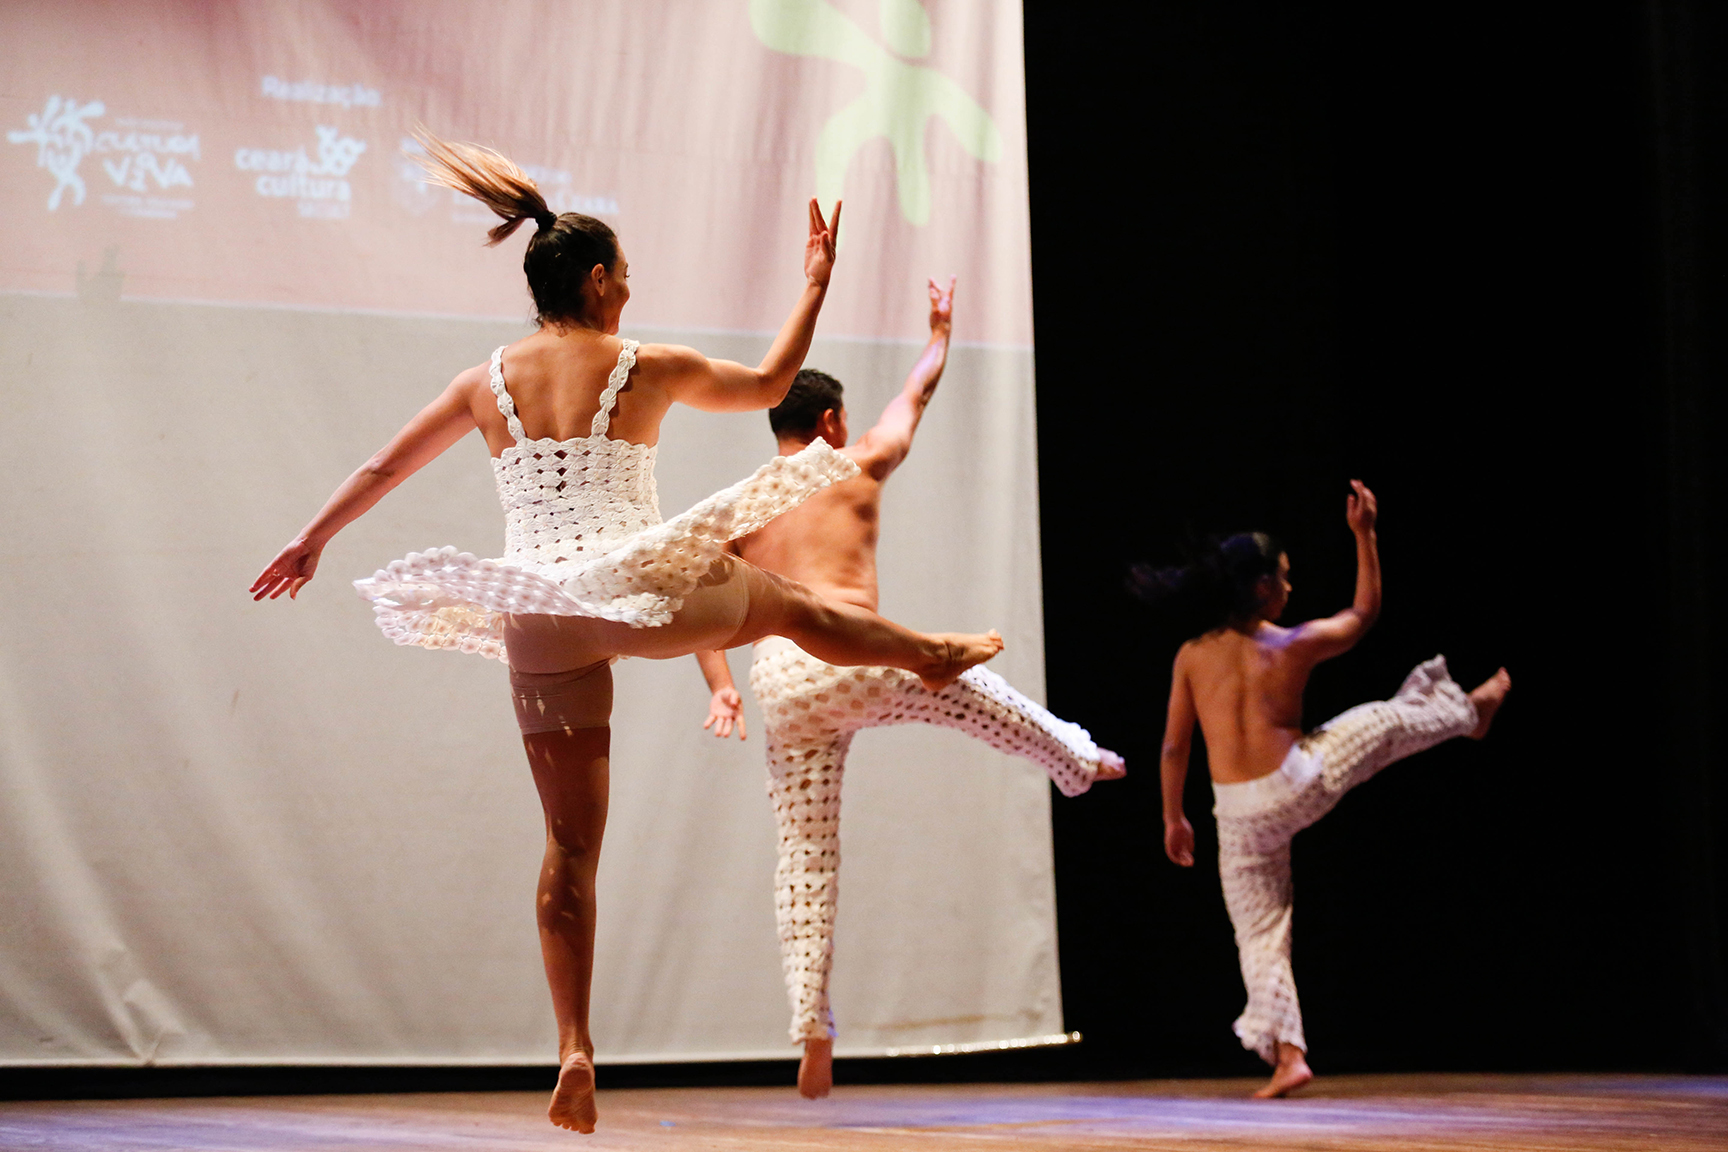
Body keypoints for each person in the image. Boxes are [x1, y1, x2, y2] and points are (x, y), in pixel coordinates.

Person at [250, 132, 1003, 1134]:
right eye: (628, 276)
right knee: (795, 607)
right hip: (644, 591)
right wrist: (816, 283)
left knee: (569, 847)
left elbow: (386, 467)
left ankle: (574, 1045)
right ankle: (929, 653)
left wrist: (310, 538)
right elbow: (773, 381)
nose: (632, 291)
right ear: (599, 281)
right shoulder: (643, 363)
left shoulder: (483, 382)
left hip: (540, 614)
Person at [692, 277, 1126, 1099]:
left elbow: (705, 616)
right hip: (851, 650)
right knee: (968, 690)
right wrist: (939, 333)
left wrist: (721, 689)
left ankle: (810, 1027)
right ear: (829, 422)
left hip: (780, 679)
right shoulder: (856, 461)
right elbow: (914, 396)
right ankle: (1078, 759)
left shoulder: (742, 508)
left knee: (804, 855)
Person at [1138, 481, 1510, 1099]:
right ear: (1261, 587)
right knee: (1381, 721)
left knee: (1258, 936)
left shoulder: (1191, 656)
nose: (1290, 588)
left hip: (1237, 815)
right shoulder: (1289, 645)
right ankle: (1468, 713)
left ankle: (1289, 1055)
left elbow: (1174, 747)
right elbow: (1363, 615)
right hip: (1296, 784)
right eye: (1284, 578)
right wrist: (1365, 535)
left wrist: (1172, 817)